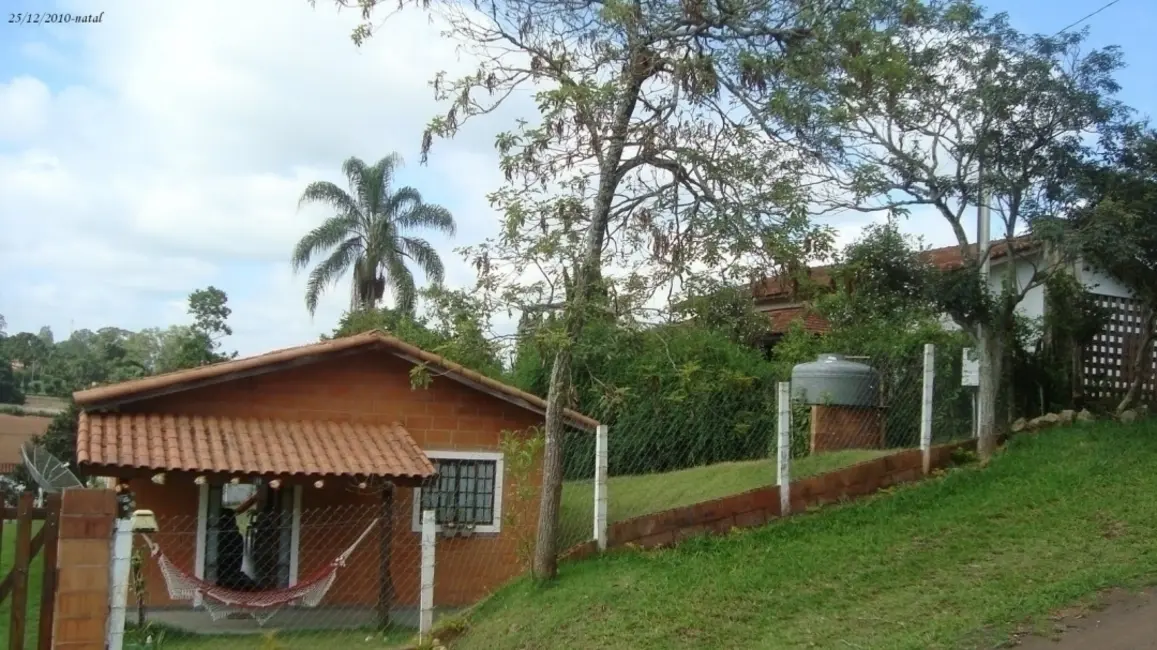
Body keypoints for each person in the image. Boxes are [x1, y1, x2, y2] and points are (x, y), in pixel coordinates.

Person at [215, 508, 259, 591]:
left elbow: (237, 560)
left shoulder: (233, 535)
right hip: (225, 570)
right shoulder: (228, 534)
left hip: (230, 570)